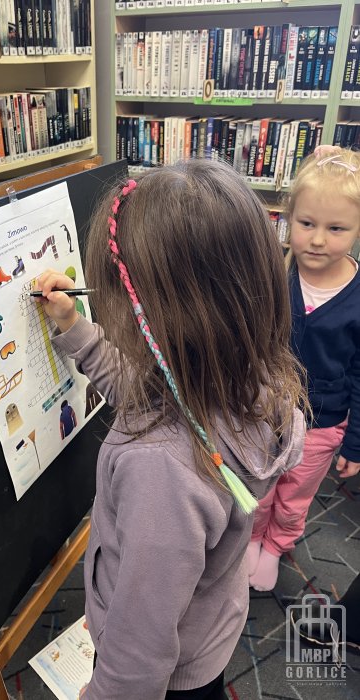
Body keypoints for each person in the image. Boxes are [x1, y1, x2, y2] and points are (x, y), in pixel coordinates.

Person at [34, 160, 306, 700]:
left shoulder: (160, 468)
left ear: (151, 321)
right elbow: (141, 393)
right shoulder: (242, 382)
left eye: (111, 296)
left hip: (167, 672)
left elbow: (138, 658)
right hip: (207, 631)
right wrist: (73, 326)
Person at [248, 146, 360, 592]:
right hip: (265, 415)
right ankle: (251, 538)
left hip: (322, 424)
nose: (317, 240)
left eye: (336, 229)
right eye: (307, 224)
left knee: (294, 495)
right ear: (289, 218)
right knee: (258, 487)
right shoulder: (276, 278)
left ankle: (276, 546)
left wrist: (355, 442)